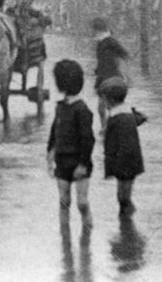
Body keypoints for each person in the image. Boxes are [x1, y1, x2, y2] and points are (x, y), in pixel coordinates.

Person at [47, 59, 95, 230]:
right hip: (62, 160)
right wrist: (50, 153)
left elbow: (88, 139)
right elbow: (55, 131)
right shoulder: (60, 107)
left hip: (79, 162)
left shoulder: (82, 110)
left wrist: (82, 164)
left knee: (82, 202)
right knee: (64, 201)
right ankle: (65, 238)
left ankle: (87, 234)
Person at [99, 77, 146, 218]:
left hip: (126, 164)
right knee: (122, 195)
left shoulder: (121, 118)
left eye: (103, 99)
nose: (102, 103)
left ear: (110, 100)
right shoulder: (122, 115)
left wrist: (118, 166)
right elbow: (139, 118)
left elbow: (126, 146)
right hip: (125, 163)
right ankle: (127, 222)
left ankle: (127, 220)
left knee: (123, 196)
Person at [91, 17, 129, 129]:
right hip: (112, 77)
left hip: (106, 79)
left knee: (102, 107)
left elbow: (123, 54)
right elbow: (124, 54)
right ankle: (108, 127)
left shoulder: (107, 42)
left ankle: (105, 128)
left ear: (98, 30)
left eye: (95, 30)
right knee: (109, 107)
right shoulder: (107, 42)